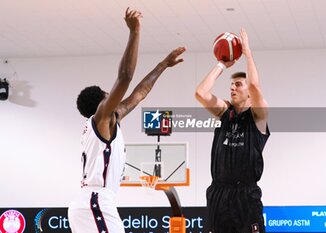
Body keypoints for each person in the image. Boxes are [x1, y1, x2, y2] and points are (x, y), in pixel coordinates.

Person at [68, 7, 186, 233]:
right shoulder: (101, 118)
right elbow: (125, 77)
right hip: (95, 202)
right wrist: (135, 31)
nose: (113, 96)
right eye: (108, 94)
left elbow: (139, 94)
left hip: (93, 202)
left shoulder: (109, 122)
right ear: (102, 101)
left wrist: (163, 65)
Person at [195, 28, 269, 233]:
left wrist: (247, 53)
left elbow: (254, 84)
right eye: (231, 85)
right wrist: (221, 64)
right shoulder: (224, 112)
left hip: (245, 196)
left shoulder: (258, 116)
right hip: (218, 194)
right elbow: (201, 92)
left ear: (248, 94)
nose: (232, 88)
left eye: (238, 84)